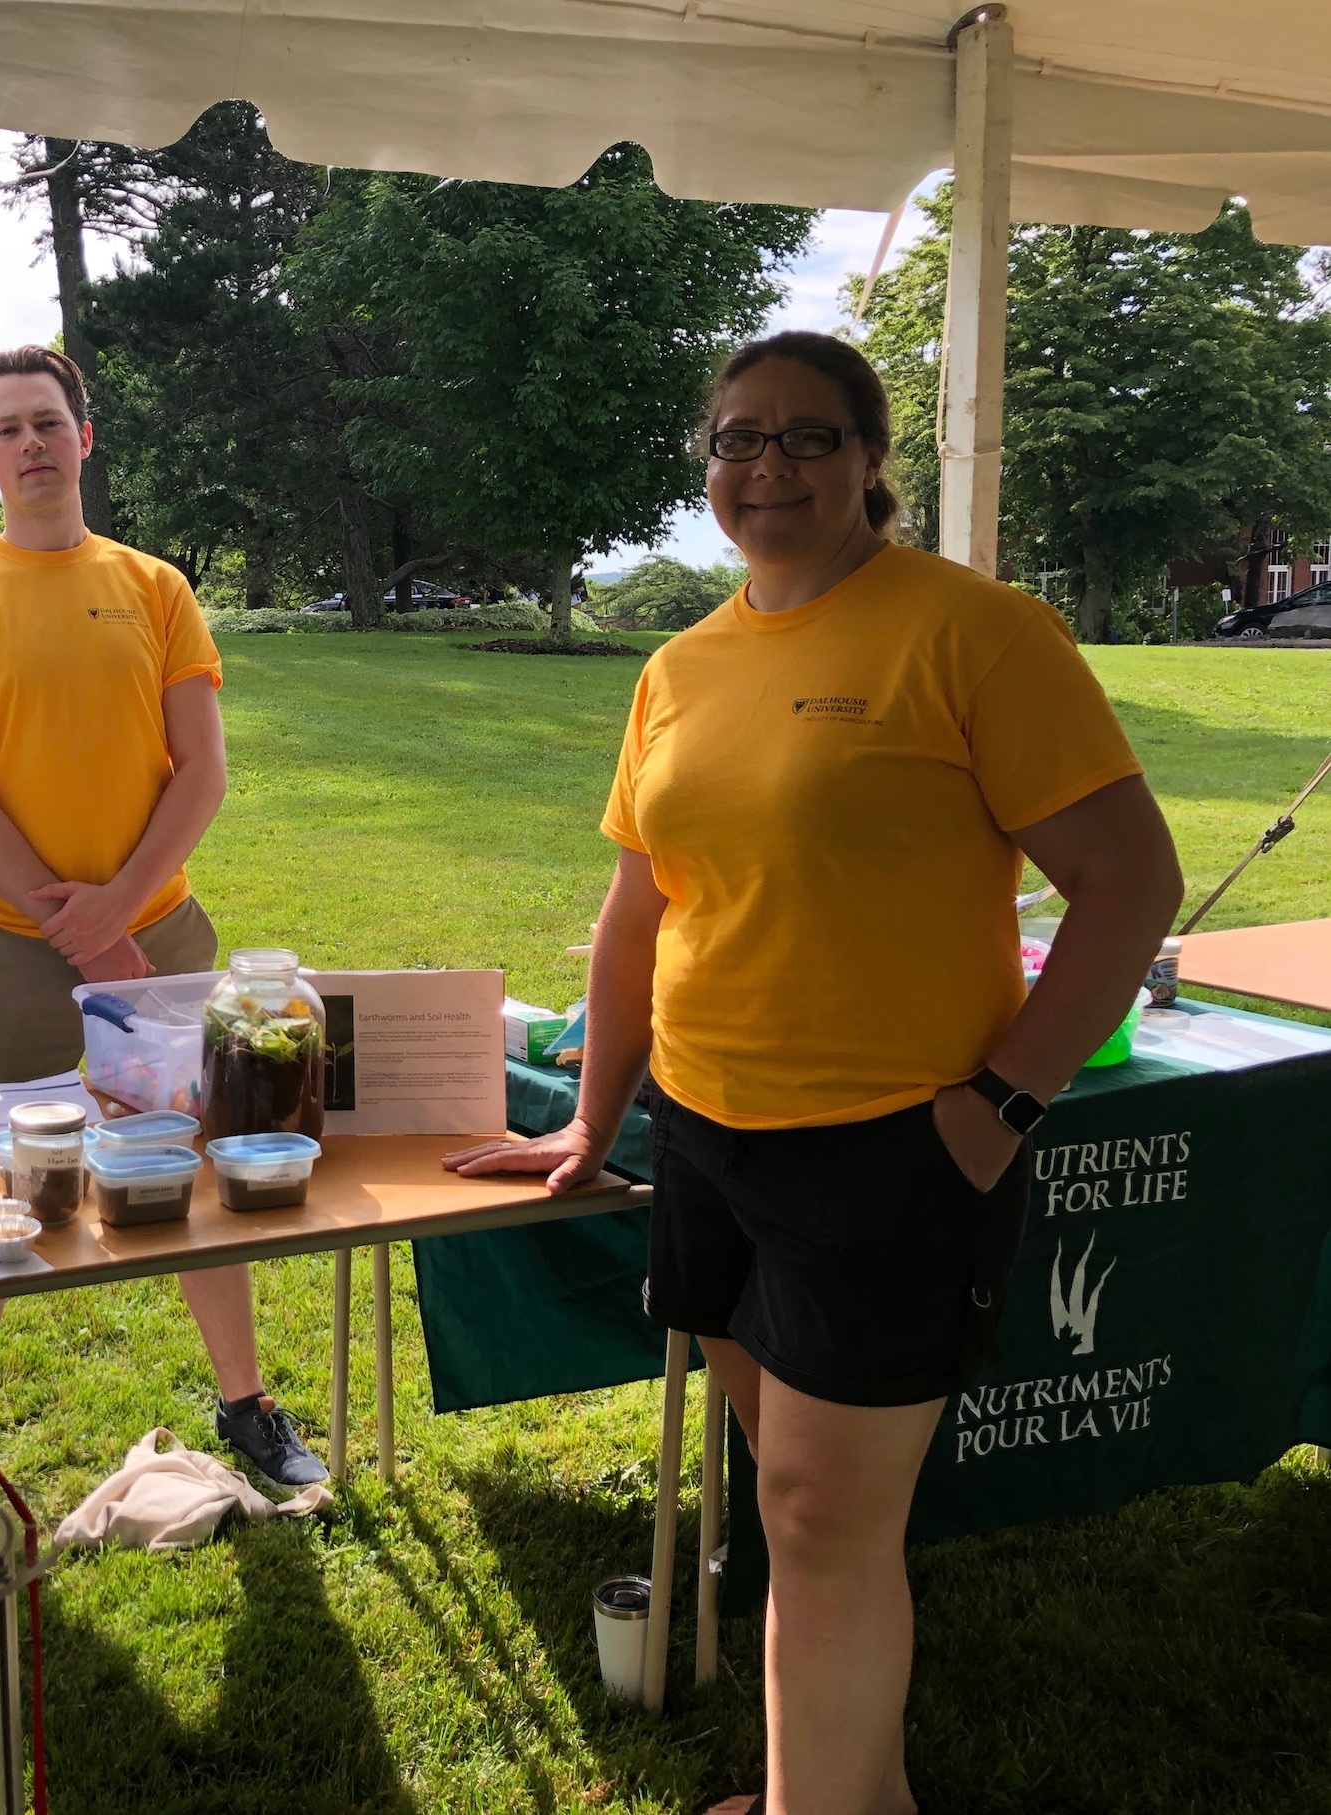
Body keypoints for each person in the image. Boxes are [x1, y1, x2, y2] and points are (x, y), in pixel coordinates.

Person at [446, 331, 1181, 1815]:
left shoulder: (973, 632)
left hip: (894, 1147)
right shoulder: (683, 662)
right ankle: (848, 1788)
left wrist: (1003, 1105)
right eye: (736, 439)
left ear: (869, 462)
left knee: (824, 1519)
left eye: (804, 437)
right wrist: (596, 1112)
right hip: (706, 1131)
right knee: (792, 1498)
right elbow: (640, 902)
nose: (765, 466)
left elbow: (1129, 879)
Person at [0, 345, 326, 1490]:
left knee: (197, 1169)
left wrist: (121, 912)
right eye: (8, 429)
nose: (32, 443)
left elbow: (200, 772)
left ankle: (244, 1403)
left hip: (162, 940)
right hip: (8, 955)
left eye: (49, 421)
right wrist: (77, 929)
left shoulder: (154, 587)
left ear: (85, 436)